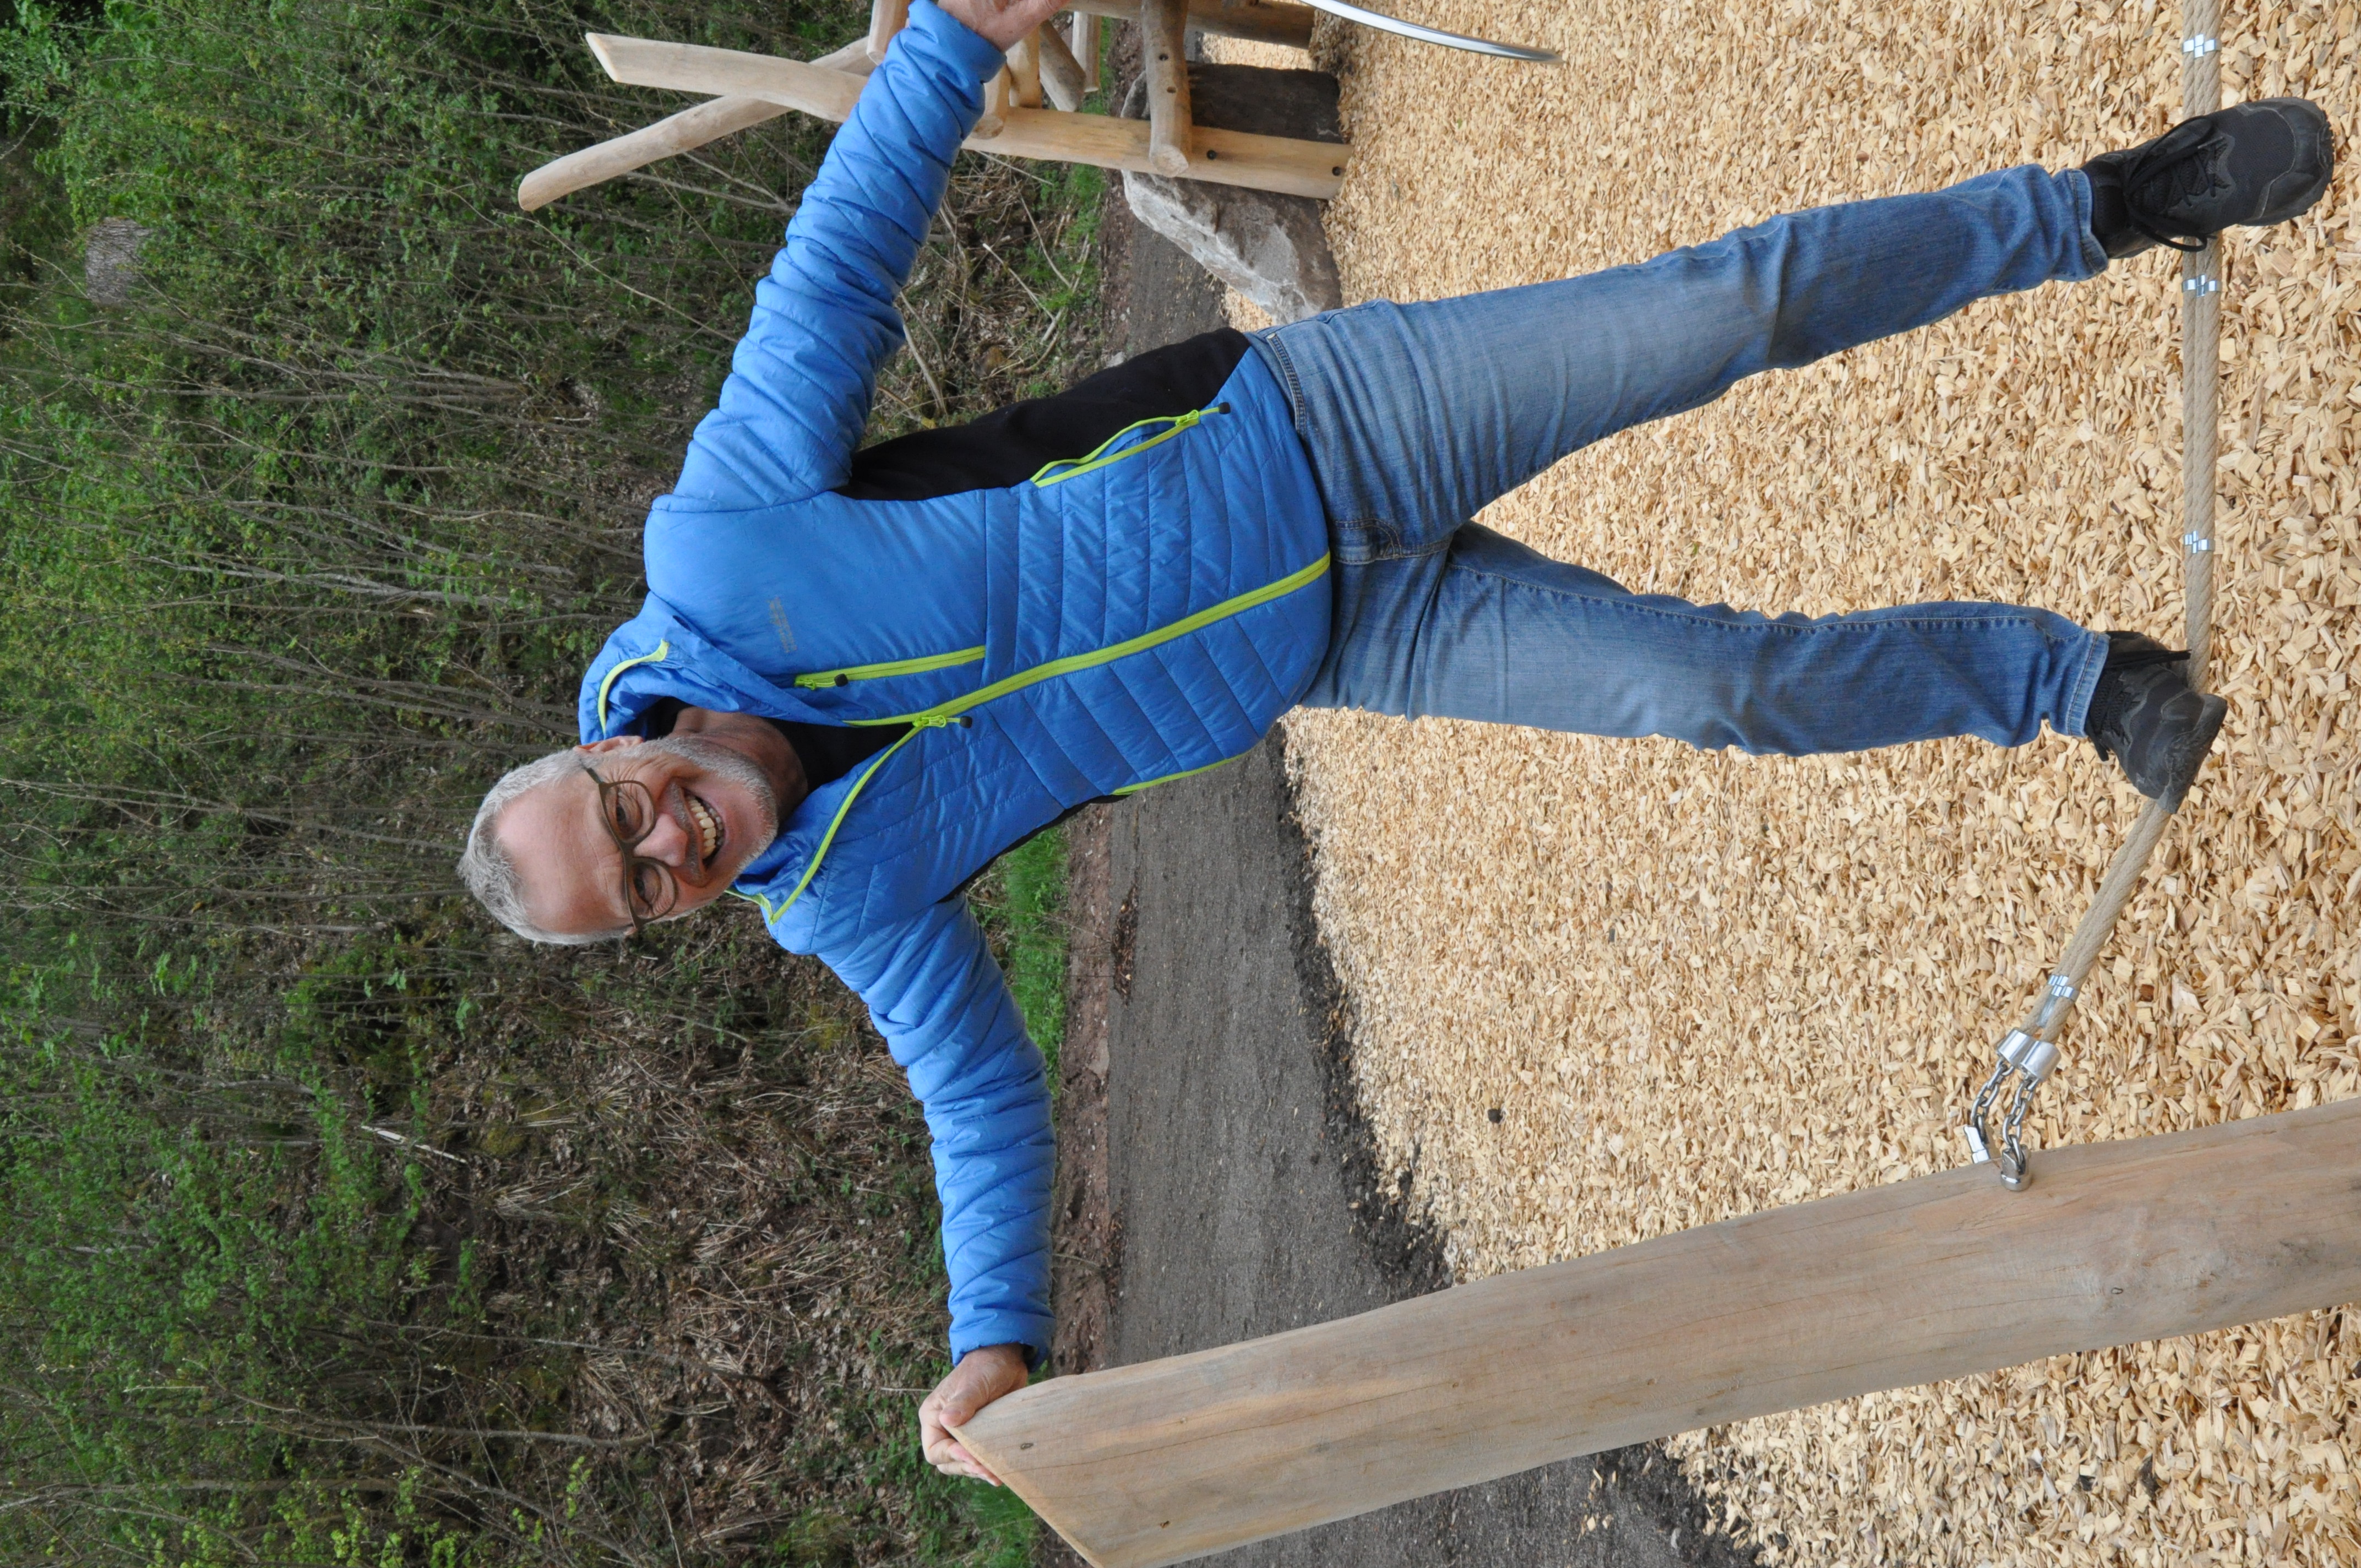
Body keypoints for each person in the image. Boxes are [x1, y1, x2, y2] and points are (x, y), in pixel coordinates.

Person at [454, 0, 2334, 1485]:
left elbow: (825, 290)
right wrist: (994, 1336)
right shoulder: (841, 897)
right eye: (642, 895)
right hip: (1350, 633)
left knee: (1721, 309)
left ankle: (2107, 202)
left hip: (1325, 427)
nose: (669, 849)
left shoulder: (720, 557)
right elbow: (977, 1098)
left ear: (601, 750)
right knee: (1712, 693)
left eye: (624, 817)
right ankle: (2074, 682)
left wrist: (950, 38)